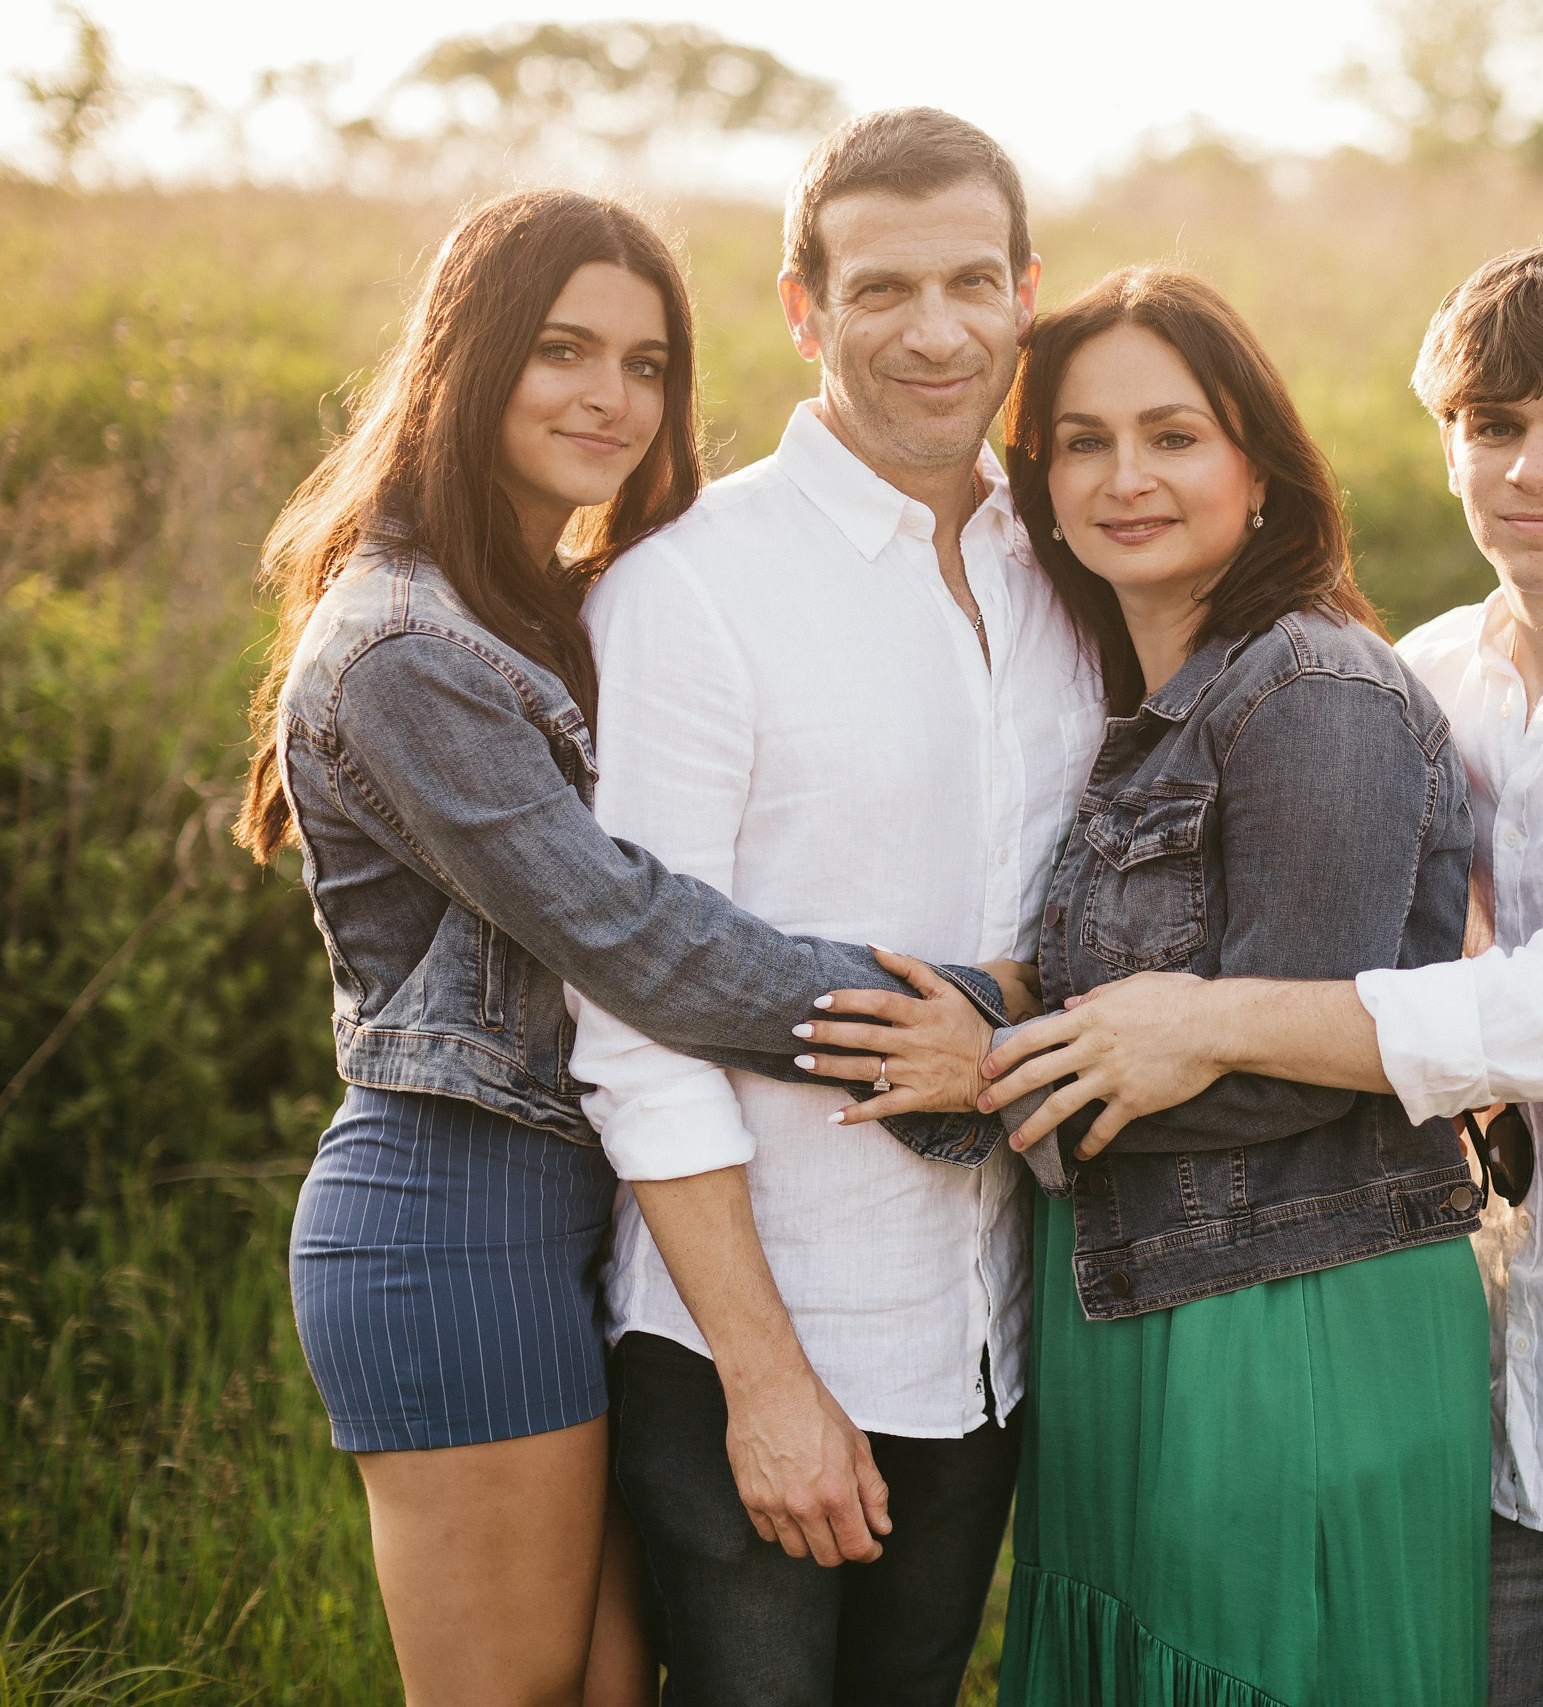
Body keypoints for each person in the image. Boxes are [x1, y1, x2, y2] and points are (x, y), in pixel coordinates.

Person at [973, 244, 1543, 1706]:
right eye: (1493, 426)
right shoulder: (1442, 668)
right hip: (1522, 1370)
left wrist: (1204, 1025)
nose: (1535, 467)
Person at [236, 187, 1018, 1707]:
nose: (610, 397)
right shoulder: (406, 650)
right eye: (561, 351)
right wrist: (960, 1020)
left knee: (604, 1692)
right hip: (455, 1216)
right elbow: (631, 937)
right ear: (466, 363)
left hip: (562, 1210)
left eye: (648, 364)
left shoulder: (532, 599)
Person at [802, 265, 1489, 1706]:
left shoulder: (1314, 691)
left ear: (1260, 469)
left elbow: (1295, 1058)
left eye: (1174, 437)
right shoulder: (1128, 708)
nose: (1128, 478)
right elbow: (1118, 1001)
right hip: (1128, 1304)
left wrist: (983, 1067)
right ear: (1037, 478)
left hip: (1290, 1312)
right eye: (1085, 442)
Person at [566, 110, 1103, 1707]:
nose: (934, 333)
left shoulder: (1066, 570)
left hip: (988, 1341)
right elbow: (630, 1018)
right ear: (802, 310)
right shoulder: (690, 588)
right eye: (880, 290)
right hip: (756, 1339)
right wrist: (767, 1380)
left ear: (1024, 295)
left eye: (969, 282)